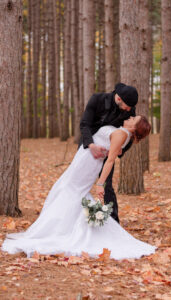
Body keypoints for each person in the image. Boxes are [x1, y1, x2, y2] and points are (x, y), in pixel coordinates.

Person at [2, 115, 156, 260]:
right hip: (84, 159)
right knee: (67, 189)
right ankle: (62, 228)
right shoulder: (122, 134)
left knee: (70, 191)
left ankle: (59, 231)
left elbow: (110, 161)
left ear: (135, 127)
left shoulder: (121, 135)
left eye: (133, 118)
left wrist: (101, 184)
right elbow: (111, 148)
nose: (130, 117)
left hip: (88, 164)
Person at [80, 83, 139, 223]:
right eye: (127, 106)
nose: (129, 110)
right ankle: (79, 219)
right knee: (81, 182)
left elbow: (131, 134)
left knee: (107, 185)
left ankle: (113, 222)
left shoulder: (129, 108)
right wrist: (91, 145)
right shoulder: (97, 99)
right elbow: (84, 124)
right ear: (118, 98)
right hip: (89, 146)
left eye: (131, 108)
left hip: (109, 153)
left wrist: (120, 150)